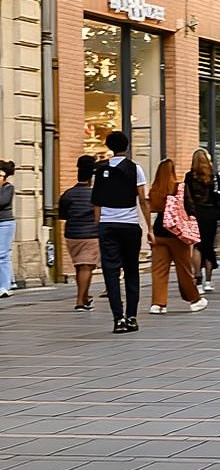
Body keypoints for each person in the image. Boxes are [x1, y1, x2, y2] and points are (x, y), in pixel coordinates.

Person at [91, 131, 152, 333]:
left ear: (109, 146)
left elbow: (96, 202)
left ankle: (118, 318)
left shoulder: (100, 170)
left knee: (111, 271)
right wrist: (149, 227)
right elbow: (142, 199)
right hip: (129, 224)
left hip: (107, 225)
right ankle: (132, 316)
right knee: (131, 270)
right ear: (127, 146)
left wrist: (99, 224)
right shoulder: (135, 168)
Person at [147, 158, 208, 314]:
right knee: (183, 268)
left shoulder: (154, 190)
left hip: (159, 232)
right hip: (177, 234)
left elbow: (152, 208)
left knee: (159, 269)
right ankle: (195, 299)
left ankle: (158, 303)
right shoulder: (179, 187)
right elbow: (190, 208)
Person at [59, 155, 99, 310]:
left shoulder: (68, 194)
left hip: (71, 235)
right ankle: (80, 301)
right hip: (89, 235)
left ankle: (85, 296)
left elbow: (62, 215)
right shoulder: (94, 194)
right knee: (86, 267)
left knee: (80, 267)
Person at [185, 149, 220, 293]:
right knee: (209, 247)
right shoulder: (213, 176)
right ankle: (208, 280)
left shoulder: (190, 176)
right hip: (211, 213)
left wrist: (190, 213)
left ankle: (198, 279)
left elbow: (187, 197)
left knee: (197, 246)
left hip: (196, 213)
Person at [0, 160, 14, 298]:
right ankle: (10, 281)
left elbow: (2, 201)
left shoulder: (8, 188)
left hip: (5, 223)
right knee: (4, 254)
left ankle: (4, 286)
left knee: (2, 255)